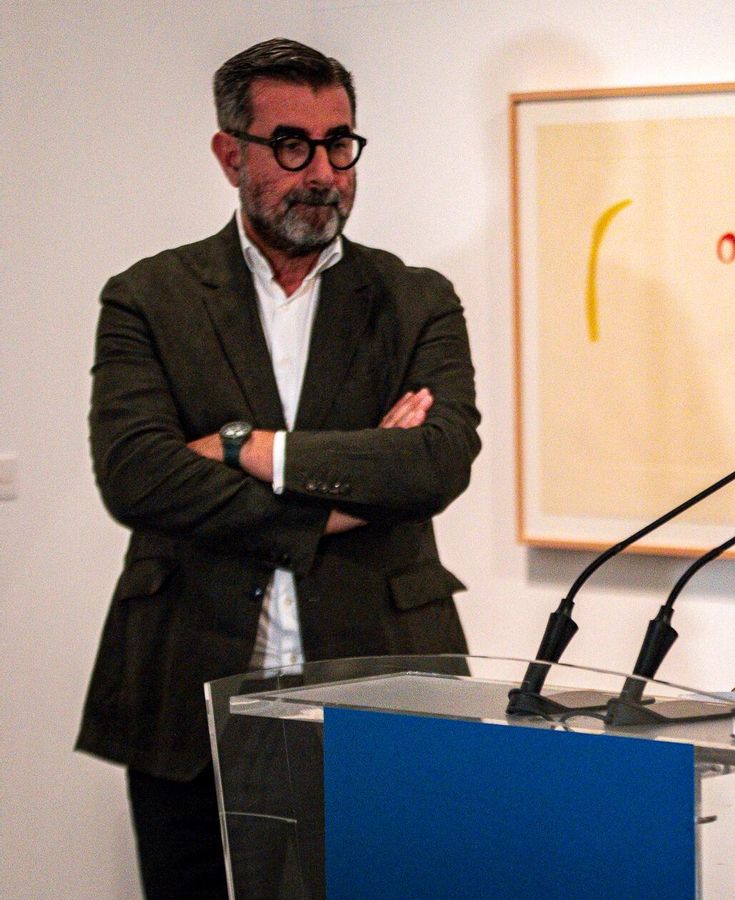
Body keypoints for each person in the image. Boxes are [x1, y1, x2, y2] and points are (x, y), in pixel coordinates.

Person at [77, 38, 481, 898]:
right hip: (190, 691)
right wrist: (346, 494)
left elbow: (436, 463)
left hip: (383, 681)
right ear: (232, 156)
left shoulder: (416, 299)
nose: (324, 171)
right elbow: (138, 474)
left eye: (341, 143)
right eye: (292, 145)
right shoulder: (150, 297)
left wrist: (242, 447)